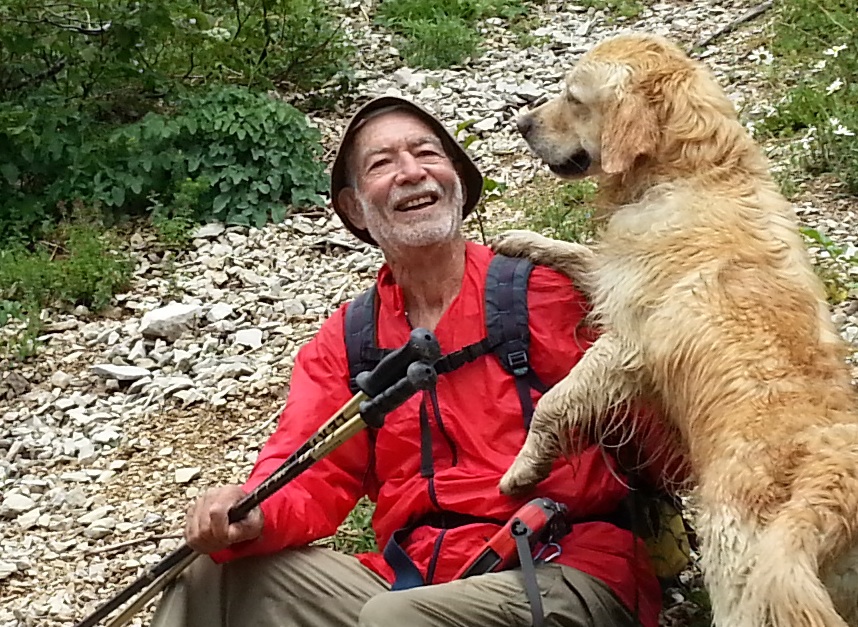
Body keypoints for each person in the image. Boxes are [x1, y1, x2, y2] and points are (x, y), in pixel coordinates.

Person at [150, 96, 677, 627]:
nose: (410, 172)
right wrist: (251, 511)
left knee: (394, 620)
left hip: (564, 569)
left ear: (455, 180)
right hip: (416, 579)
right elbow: (310, 468)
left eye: (427, 153)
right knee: (209, 575)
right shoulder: (351, 338)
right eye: (381, 164)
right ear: (356, 208)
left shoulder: (549, 292)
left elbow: (666, 426)